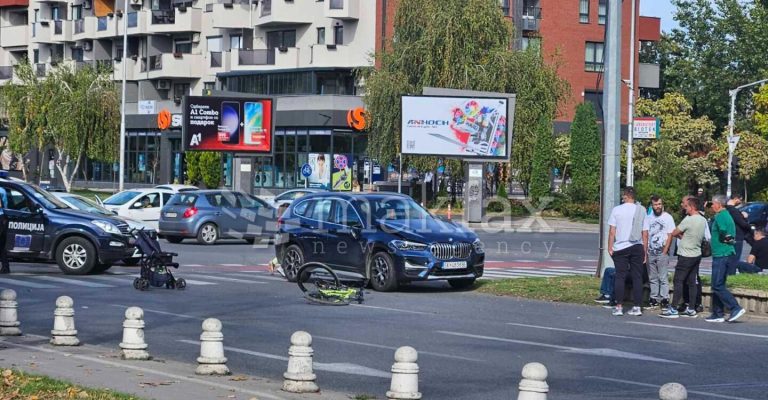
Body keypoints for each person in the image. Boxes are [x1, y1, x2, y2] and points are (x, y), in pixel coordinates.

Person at [661, 196, 706, 319]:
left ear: (692, 207)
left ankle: (674, 308)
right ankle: (691, 308)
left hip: (685, 254)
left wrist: (683, 235)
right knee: (692, 282)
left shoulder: (689, 219)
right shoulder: (703, 220)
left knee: (678, 280)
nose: (685, 209)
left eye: (686, 207)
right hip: (696, 253)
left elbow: (674, 232)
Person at [607, 187, 646, 317]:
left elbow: (612, 231)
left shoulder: (617, 210)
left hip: (621, 247)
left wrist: (610, 246)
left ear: (626, 196)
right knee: (637, 277)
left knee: (620, 276)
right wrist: (645, 251)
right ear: (634, 197)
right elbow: (645, 233)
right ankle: (637, 307)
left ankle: (618, 306)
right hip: (636, 246)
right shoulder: (641, 210)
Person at [706, 195, 746, 323]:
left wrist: (729, 241)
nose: (712, 206)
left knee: (717, 285)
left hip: (722, 254)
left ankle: (735, 307)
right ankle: (718, 313)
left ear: (719, 205)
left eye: (713, 204)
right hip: (722, 253)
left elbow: (725, 233)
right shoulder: (725, 215)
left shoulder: (721, 216)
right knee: (718, 284)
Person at [643, 196, 675, 308]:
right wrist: (645, 250)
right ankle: (654, 297)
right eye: (655, 205)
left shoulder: (668, 218)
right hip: (651, 251)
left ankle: (664, 298)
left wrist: (666, 249)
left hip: (662, 251)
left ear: (662, 205)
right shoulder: (648, 218)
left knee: (663, 276)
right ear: (652, 206)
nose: (658, 206)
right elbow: (645, 234)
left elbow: (670, 234)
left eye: (659, 204)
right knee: (652, 277)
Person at [726, 195, 752, 267]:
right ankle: (731, 275)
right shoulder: (734, 211)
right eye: (740, 199)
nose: (740, 201)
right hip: (737, 236)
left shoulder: (725, 210)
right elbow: (742, 224)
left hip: (729, 235)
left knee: (728, 258)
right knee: (734, 259)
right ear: (735, 198)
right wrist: (746, 218)